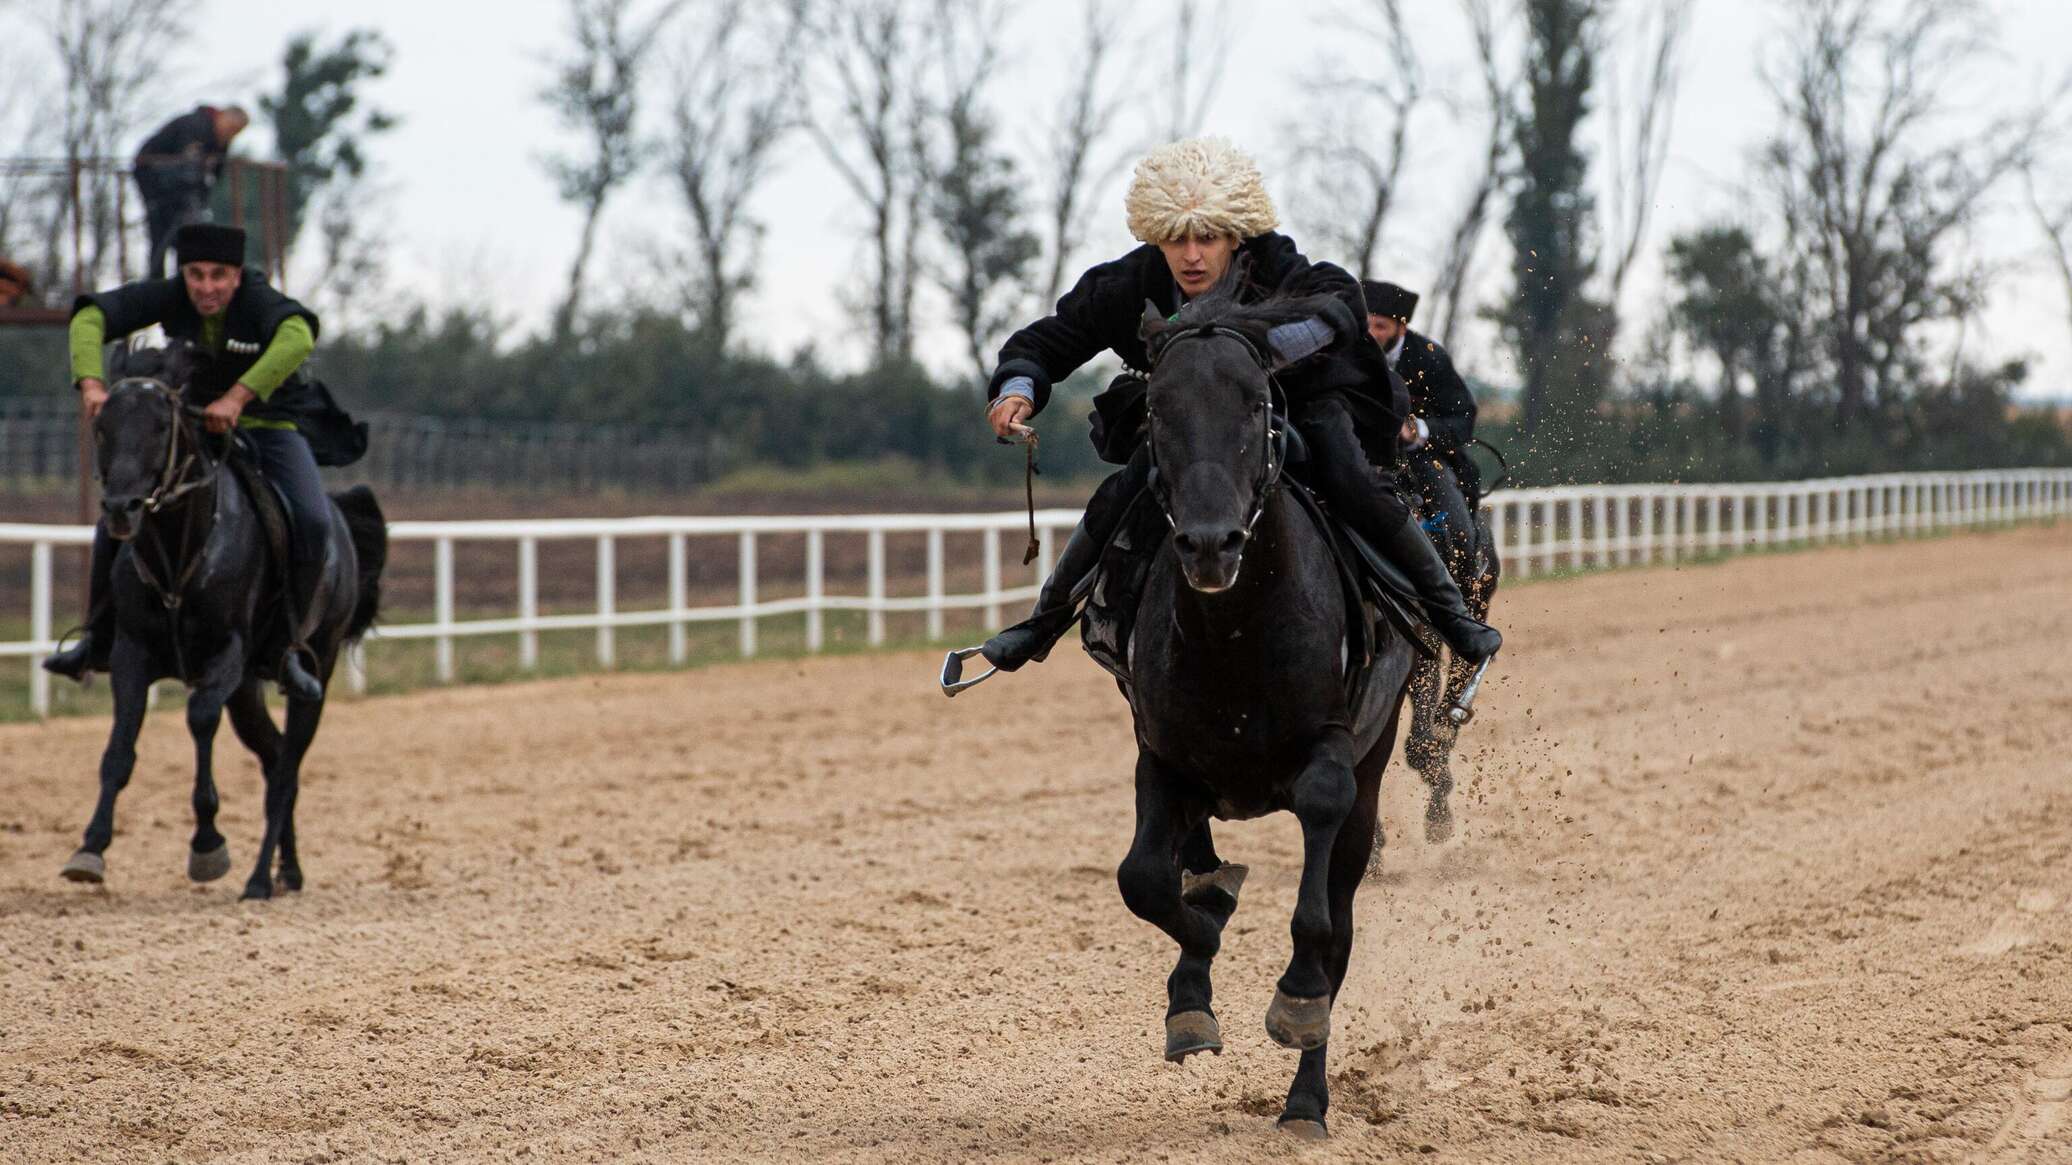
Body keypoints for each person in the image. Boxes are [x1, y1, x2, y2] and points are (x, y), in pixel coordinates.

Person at [977, 137, 1500, 674]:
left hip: (1299, 401)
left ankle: (1450, 614)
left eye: (1206, 237)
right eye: (1175, 240)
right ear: (1156, 237)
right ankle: (1040, 623)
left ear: (1236, 233)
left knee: (1348, 472)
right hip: (1194, 417)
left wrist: (1263, 354)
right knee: (1123, 489)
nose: (1191, 256)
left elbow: (1342, 300)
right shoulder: (1131, 280)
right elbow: (1049, 339)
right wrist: (1018, 388)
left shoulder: (1274, 262)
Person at [47, 222, 341, 701]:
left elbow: (299, 335)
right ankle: (95, 638)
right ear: (183, 273)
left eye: (219, 276)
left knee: (311, 519)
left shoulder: (260, 302)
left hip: (268, 428)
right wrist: (91, 382)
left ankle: (288, 649)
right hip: (192, 431)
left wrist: (238, 397)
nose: (206, 287)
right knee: (121, 508)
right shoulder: (169, 294)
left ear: (237, 276)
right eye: (196, 275)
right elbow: (89, 317)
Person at [1361, 279, 1482, 504]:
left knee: (1457, 529)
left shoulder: (1430, 359)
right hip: (1359, 454)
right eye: (1366, 325)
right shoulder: (1349, 349)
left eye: (1380, 326)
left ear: (1402, 327)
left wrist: (1416, 430)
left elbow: (1463, 418)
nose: (1370, 334)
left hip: (1421, 457)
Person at [135, 105, 249, 278]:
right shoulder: (195, 125)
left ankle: (184, 280)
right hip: (156, 180)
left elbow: (216, 172)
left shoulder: (221, 140)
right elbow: (187, 161)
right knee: (161, 235)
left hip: (181, 190)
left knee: (186, 237)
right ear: (223, 118)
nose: (231, 135)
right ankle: (158, 283)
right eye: (232, 129)